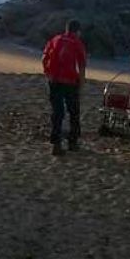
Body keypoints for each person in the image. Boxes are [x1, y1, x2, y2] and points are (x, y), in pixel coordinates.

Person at [42, 19, 87, 156]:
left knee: (57, 113)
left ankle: (56, 144)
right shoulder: (77, 43)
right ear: (77, 31)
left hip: (54, 80)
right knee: (73, 112)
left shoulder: (55, 39)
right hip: (69, 81)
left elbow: (44, 57)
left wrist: (48, 74)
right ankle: (72, 143)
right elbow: (82, 64)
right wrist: (81, 82)